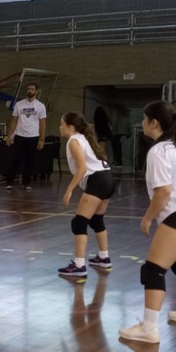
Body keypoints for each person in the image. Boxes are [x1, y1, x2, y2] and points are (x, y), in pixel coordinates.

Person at [119, 101, 176, 344]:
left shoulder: (159, 151)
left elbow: (163, 192)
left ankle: (148, 328)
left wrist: (148, 217)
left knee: (153, 269)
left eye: (144, 119)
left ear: (154, 123)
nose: (142, 123)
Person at [57, 112, 116, 277]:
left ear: (70, 127)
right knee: (96, 220)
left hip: (98, 180)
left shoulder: (74, 141)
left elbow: (82, 168)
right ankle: (103, 257)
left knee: (79, 223)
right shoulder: (83, 138)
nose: (59, 127)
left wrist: (69, 190)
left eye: (62, 124)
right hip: (107, 177)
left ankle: (79, 265)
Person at [4, 83, 47, 192]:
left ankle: (26, 183)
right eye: (28, 89)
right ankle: (9, 181)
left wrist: (42, 139)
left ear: (36, 91)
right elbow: (14, 120)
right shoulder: (19, 104)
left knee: (30, 161)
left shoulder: (40, 106)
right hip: (20, 136)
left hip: (33, 137)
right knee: (15, 159)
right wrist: (9, 136)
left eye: (32, 89)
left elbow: (42, 123)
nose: (30, 91)